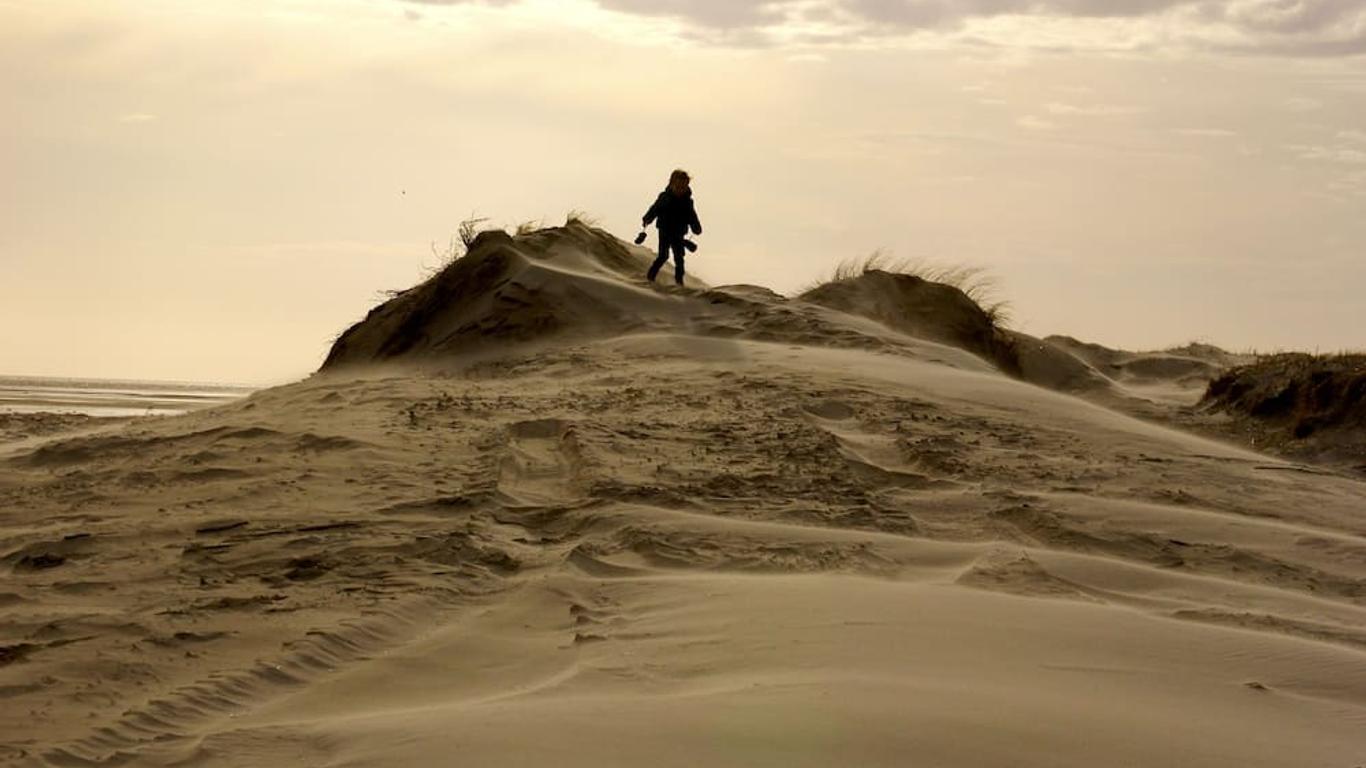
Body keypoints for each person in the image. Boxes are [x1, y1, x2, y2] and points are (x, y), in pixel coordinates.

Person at [642, 169, 702, 285]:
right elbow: (655, 208)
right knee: (663, 256)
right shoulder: (664, 197)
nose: (681, 189)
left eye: (684, 186)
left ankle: (679, 283)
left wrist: (696, 227)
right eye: (678, 186)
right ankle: (650, 278)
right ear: (672, 183)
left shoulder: (687, 202)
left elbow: (692, 215)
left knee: (679, 259)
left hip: (679, 232)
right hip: (664, 230)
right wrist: (647, 218)